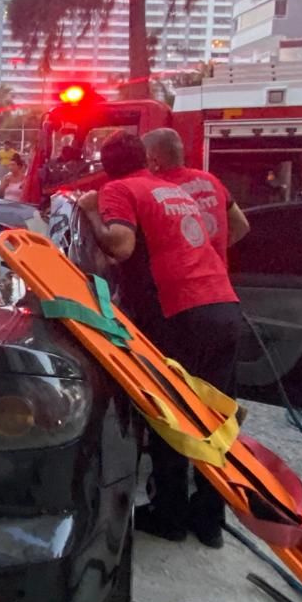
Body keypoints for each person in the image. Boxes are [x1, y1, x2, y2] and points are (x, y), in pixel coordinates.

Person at [78, 129, 241, 546]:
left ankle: (169, 515)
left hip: (179, 312)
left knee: (170, 414)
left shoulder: (119, 189)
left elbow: (122, 245)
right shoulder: (170, 188)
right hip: (223, 303)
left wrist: (91, 212)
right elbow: (228, 231)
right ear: (145, 158)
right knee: (214, 420)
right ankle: (209, 520)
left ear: (106, 166)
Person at [142, 128, 250, 256]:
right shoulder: (210, 180)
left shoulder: (155, 189)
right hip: (216, 271)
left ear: (154, 160)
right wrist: (211, 250)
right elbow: (242, 225)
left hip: (180, 272)